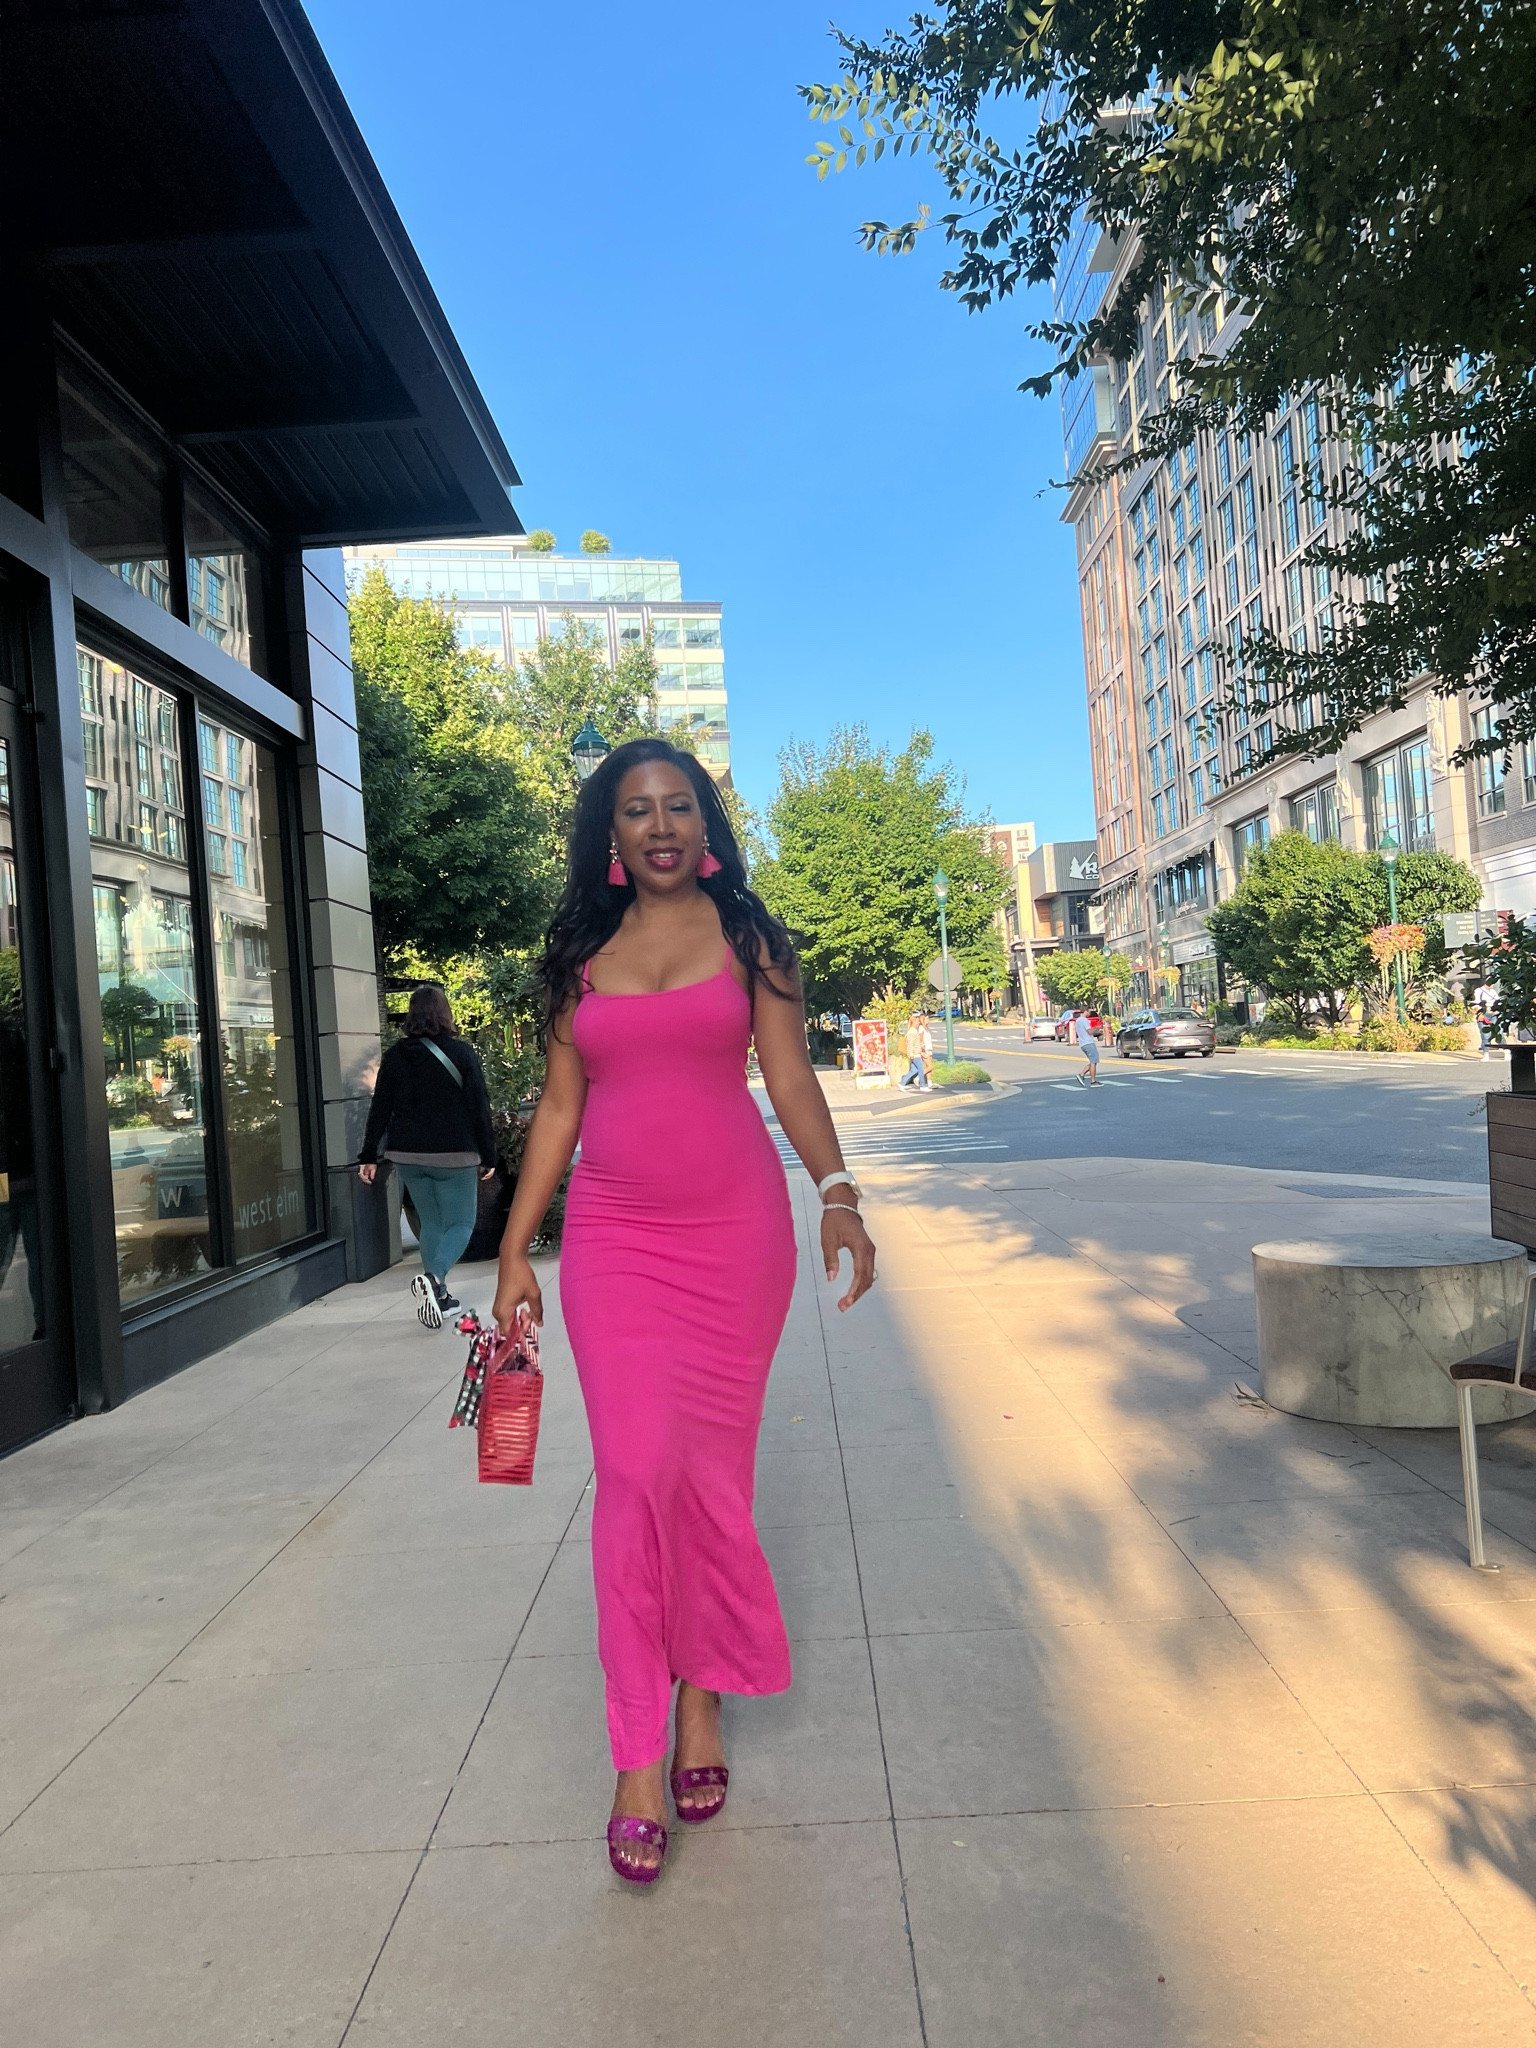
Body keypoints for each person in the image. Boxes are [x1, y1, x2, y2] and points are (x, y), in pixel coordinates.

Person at [493, 738, 877, 1887]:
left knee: (710, 1479)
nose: (658, 826)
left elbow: (790, 1076)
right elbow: (560, 1109)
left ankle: (701, 1699)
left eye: (677, 806)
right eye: (634, 811)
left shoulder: (753, 940)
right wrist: (516, 1248)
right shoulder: (576, 960)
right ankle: (635, 1755)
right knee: (634, 1475)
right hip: (615, 1243)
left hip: (733, 1239)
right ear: (607, 841)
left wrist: (839, 1192)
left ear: (705, 825)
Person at [358, 985, 497, 1327]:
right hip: (454, 1153)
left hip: (408, 1155)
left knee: (432, 1223)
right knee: (462, 1223)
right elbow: (479, 1106)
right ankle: (434, 1280)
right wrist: (489, 1154)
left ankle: (442, 1298)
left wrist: (369, 1155)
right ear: (445, 1013)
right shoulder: (461, 1054)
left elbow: (380, 1108)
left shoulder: (394, 1057)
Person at [897, 1010, 928, 1089]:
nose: (919, 1023)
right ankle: (922, 1085)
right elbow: (910, 1043)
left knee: (914, 1070)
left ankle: (902, 1083)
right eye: (917, 1022)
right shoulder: (912, 1032)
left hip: (916, 1053)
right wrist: (911, 1053)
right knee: (921, 1069)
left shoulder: (914, 1031)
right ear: (914, 1022)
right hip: (915, 1054)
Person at [1074, 1006, 1102, 1087]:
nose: (1090, 1013)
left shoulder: (1078, 1020)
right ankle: (1092, 1081)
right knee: (1093, 1062)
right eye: (1089, 1012)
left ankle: (1082, 1074)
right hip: (1088, 1043)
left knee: (1093, 1061)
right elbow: (1089, 1031)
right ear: (1085, 1011)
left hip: (1083, 1043)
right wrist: (1097, 1028)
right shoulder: (1084, 1020)